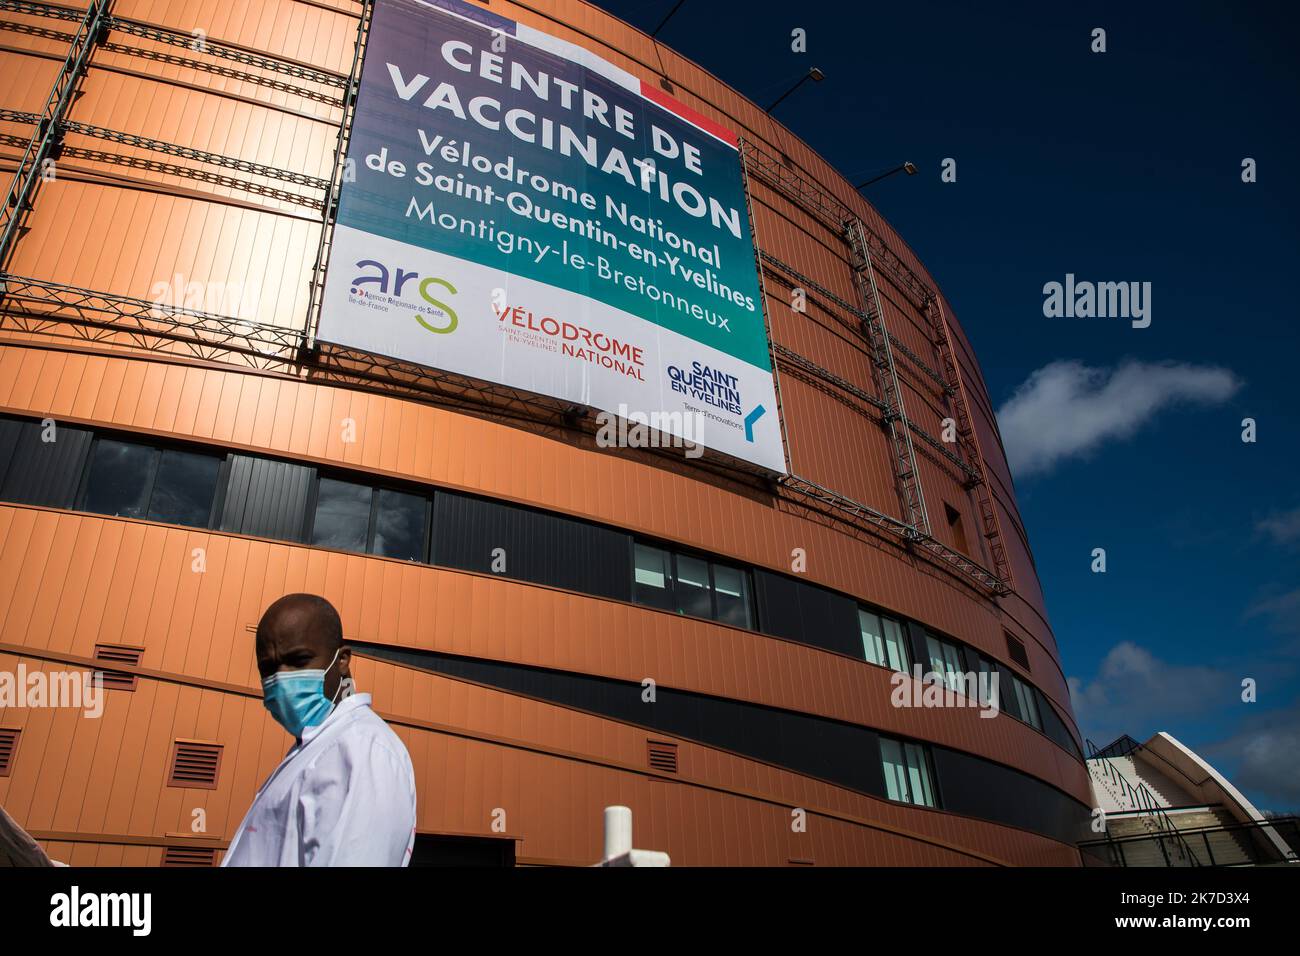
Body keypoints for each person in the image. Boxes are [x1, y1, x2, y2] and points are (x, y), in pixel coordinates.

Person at [223, 593, 417, 866]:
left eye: (299, 660)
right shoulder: (318, 747)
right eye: (268, 667)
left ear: (342, 661)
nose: (282, 676)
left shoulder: (361, 749)